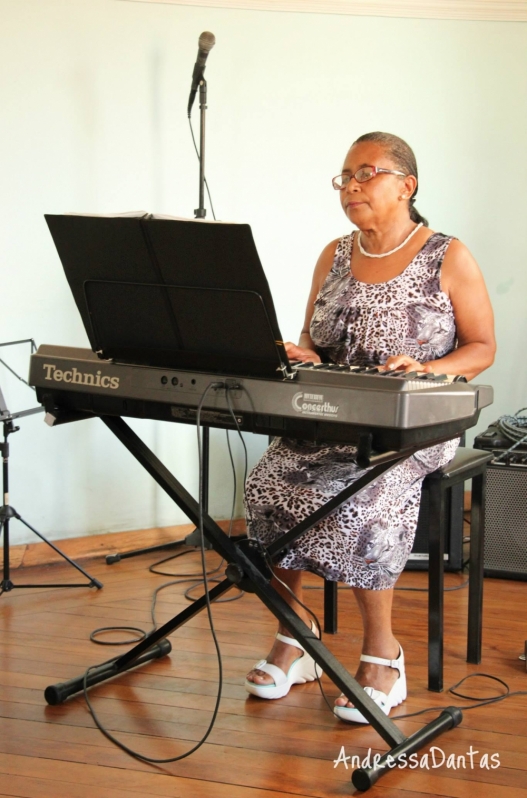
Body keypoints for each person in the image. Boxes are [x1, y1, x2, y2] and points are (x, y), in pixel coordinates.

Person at [243, 131, 496, 723]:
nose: (352, 186)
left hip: (416, 424)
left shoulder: (447, 255)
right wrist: (303, 355)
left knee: (360, 498)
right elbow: (314, 340)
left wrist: (429, 367)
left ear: (407, 185)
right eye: (345, 177)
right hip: (333, 417)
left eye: (367, 173)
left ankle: (385, 654)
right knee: (267, 483)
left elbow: (482, 348)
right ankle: (295, 632)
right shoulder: (333, 254)